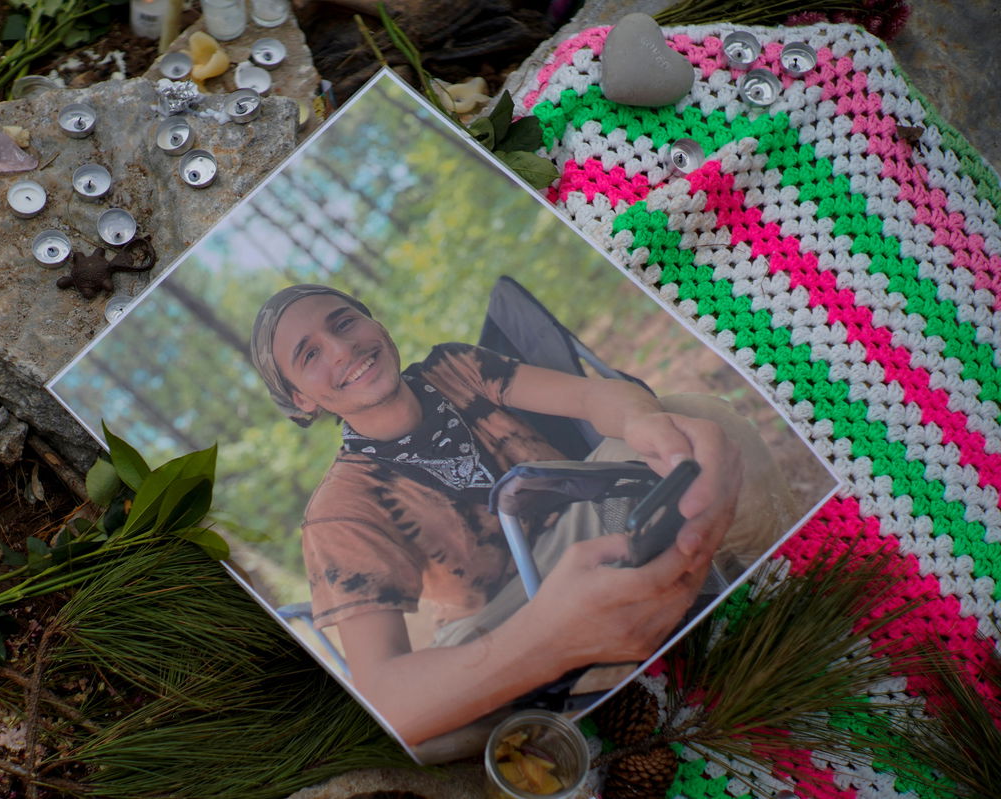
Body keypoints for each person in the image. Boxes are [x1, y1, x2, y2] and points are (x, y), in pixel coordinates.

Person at [250, 284, 796, 749]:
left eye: (344, 321)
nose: (343, 348)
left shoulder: (455, 370)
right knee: (437, 732)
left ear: (374, 320)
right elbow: (386, 696)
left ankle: (778, 592)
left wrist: (639, 421)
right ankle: (614, 728)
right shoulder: (340, 511)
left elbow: (596, 399)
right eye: (309, 355)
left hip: (591, 519)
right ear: (302, 402)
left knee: (693, 417)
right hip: (505, 619)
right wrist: (545, 634)